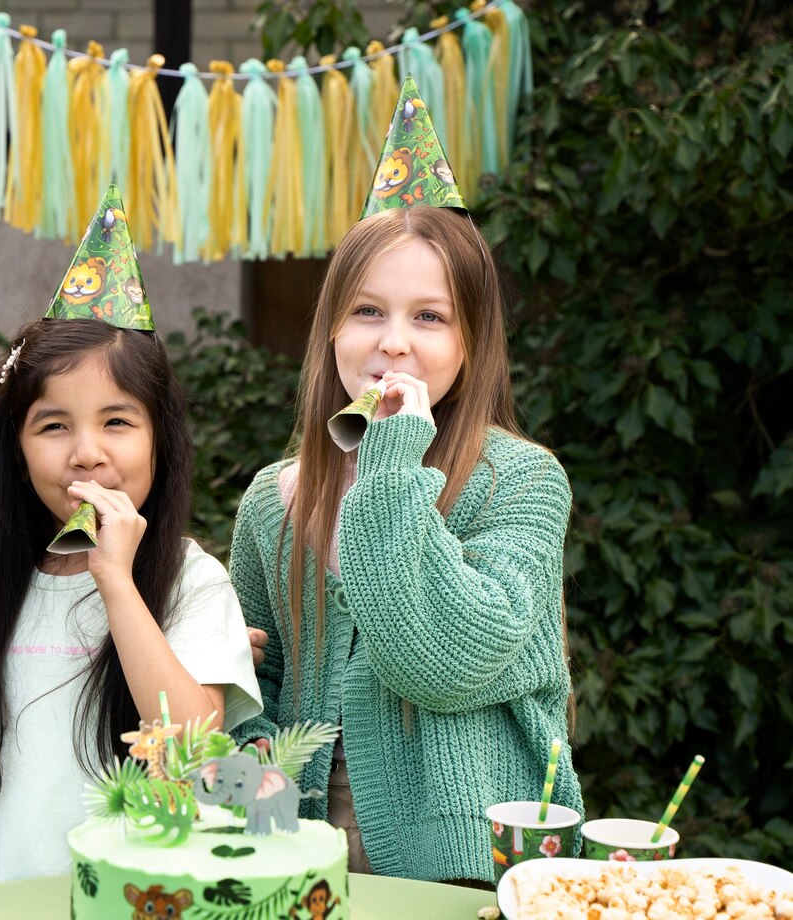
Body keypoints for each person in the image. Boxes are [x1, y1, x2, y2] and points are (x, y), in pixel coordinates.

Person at [229, 77, 583, 886]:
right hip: (300, 852)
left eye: (429, 317)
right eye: (366, 312)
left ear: (470, 340)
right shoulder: (270, 501)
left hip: (466, 859)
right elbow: (249, 687)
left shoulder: (522, 481)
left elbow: (445, 662)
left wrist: (389, 463)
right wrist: (264, 809)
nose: (394, 343)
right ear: (328, 332)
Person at [0, 187, 262, 885]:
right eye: (54, 425)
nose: (86, 452)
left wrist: (117, 583)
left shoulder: (190, 580)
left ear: (161, 442)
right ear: (18, 448)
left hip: (136, 897)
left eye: (117, 422)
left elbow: (191, 746)